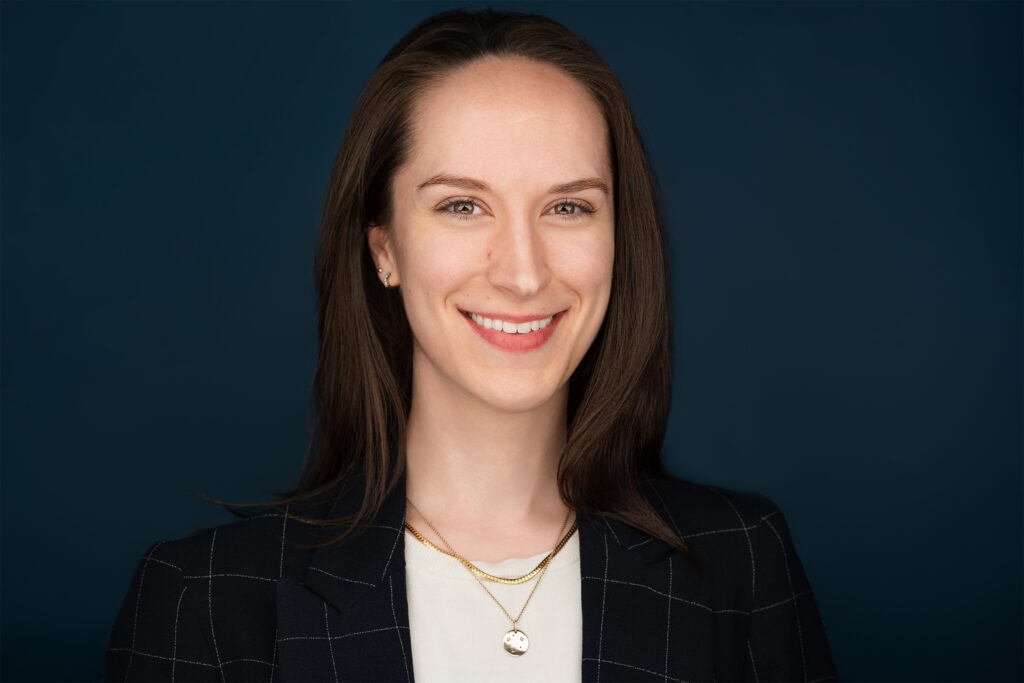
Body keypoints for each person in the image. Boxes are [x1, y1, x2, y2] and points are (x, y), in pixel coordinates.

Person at [104, 8, 837, 682]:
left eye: (569, 206)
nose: (522, 272)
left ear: (620, 240)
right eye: (462, 205)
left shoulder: (742, 561)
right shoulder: (200, 601)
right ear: (383, 247)